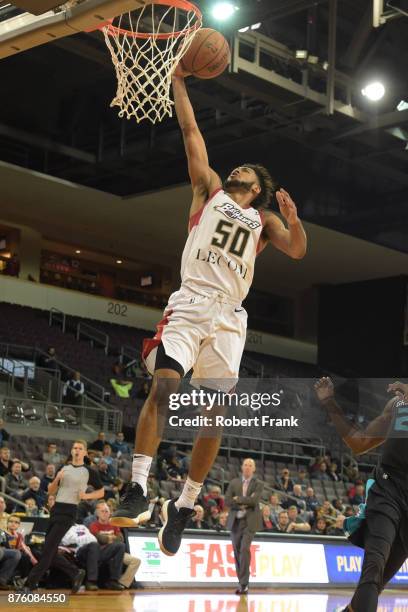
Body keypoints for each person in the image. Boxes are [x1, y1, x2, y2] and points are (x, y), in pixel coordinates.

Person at [110, 66, 306, 562]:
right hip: (192, 302)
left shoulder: (264, 221)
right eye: (236, 166)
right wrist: (176, 80)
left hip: (230, 319)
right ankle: (137, 485)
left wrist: (297, 223)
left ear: (258, 187)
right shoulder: (210, 190)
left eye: (247, 170)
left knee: (214, 415)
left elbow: (299, 251)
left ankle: (184, 506)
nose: (237, 168)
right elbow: (191, 132)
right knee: (166, 385)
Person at [315, 377, 408, 612]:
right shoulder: (398, 403)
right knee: (372, 572)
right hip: (387, 491)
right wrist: (329, 404)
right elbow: (360, 443)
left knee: (375, 584)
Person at [22, 440, 104, 593]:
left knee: (47, 551)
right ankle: (75, 572)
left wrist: (86, 495)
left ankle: (30, 584)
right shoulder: (64, 468)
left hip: (69, 511)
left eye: (80, 448)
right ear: (71, 451)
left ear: (85, 452)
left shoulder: (89, 471)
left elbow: (101, 492)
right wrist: (57, 478)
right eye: (74, 448)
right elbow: (51, 491)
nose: (77, 450)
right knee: (50, 551)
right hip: (55, 510)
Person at [225, 458, 263, 595]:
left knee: (244, 549)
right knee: (237, 552)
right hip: (235, 522)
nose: (247, 467)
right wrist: (243, 501)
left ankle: (244, 584)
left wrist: (238, 499)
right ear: (242, 467)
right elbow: (228, 501)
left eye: (250, 465)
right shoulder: (234, 483)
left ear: (254, 469)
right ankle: (242, 583)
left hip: (249, 522)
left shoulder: (258, 484)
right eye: (245, 465)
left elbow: (254, 501)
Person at [89, 501, 141, 589]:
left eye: (107, 511)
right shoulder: (94, 525)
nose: (105, 513)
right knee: (119, 546)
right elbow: (100, 540)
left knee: (136, 561)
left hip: (117, 552)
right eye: (102, 511)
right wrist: (112, 538)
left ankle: (122, 583)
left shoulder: (113, 524)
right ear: (97, 513)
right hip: (102, 552)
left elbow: (120, 539)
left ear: (110, 513)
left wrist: (107, 539)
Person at [61, 523, 124, 591]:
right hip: (80, 551)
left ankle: (113, 581)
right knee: (94, 545)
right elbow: (65, 541)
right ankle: (91, 581)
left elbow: (93, 538)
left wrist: (83, 539)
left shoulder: (82, 526)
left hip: (95, 549)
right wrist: (85, 539)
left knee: (120, 546)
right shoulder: (63, 527)